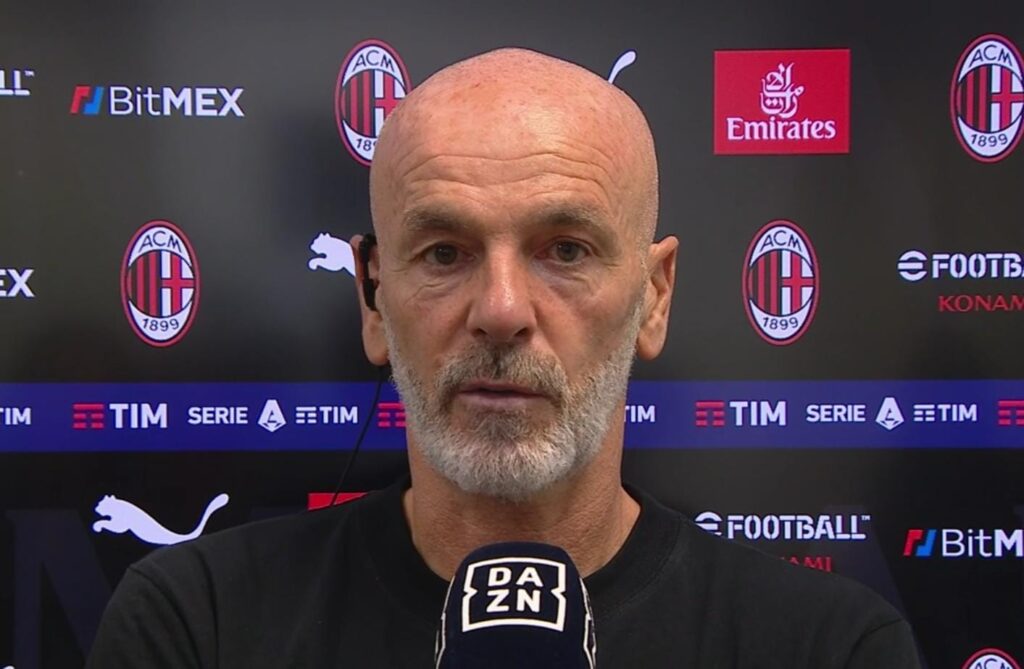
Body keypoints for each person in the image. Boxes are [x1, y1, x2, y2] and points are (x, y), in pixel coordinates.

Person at [86, 48, 921, 668]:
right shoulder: (197, 626)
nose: (501, 311)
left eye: (565, 250)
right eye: (445, 253)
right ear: (373, 299)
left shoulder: (830, 646)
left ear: (654, 297)